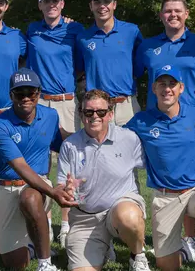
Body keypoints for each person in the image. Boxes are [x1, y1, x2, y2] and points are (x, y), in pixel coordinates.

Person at [133, 0, 195, 261]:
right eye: (167, 11)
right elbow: (133, 75)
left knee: (193, 177)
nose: (173, 15)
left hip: (192, 122)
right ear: (161, 15)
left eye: (177, 11)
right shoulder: (147, 47)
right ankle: (158, 233)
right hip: (157, 120)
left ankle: (190, 239)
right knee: (162, 178)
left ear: (187, 14)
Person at [126, 66, 195, 271]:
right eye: (162, 84)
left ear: (181, 88)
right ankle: (181, 251)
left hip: (194, 191)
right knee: (167, 266)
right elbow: (118, 143)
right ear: (154, 88)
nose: (167, 89)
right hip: (164, 197)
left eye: (172, 84)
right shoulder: (141, 121)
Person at [0, 68, 76, 271]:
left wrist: (88, 137)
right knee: (16, 264)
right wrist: (54, 192)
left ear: (39, 93)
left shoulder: (51, 115)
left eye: (31, 93)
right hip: (6, 187)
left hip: (38, 184)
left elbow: (59, 144)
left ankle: (45, 264)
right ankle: (23, 245)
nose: (26, 98)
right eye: (20, 93)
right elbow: (19, 166)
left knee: (30, 198)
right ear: (11, 95)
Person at [58, 89, 149, 271]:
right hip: (85, 218)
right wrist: (65, 190)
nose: (95, 116)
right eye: (88, 112)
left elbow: (154, 164)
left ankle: (137, 256)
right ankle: (103, 248)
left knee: (128, 216)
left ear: (110, 114)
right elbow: (61, 185)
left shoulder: (129, 138)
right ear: (81, 114)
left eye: (101, 112)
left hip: (120, 208)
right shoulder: (69, 145)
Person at [26, 0, 85, 248]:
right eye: (46, 1)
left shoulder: (75, 29)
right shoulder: (31, 30)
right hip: (40, 103)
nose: (51, 5)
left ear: (62, 4)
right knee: (41, 161)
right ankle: (44, 222)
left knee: (69, 163)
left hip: (66, 102)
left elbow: (83, 64)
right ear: (40, 5)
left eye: (55, 1)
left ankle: (67, 223)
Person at [75, 0, 143, 125]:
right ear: (91, 6)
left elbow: (140, 64)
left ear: (114, 5)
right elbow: (79, 69)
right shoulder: (83, 38)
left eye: (107, 1)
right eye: (97, 2)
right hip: (97, 108)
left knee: (132, 146)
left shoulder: (131, 31)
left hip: (127, 105)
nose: (102, 6)